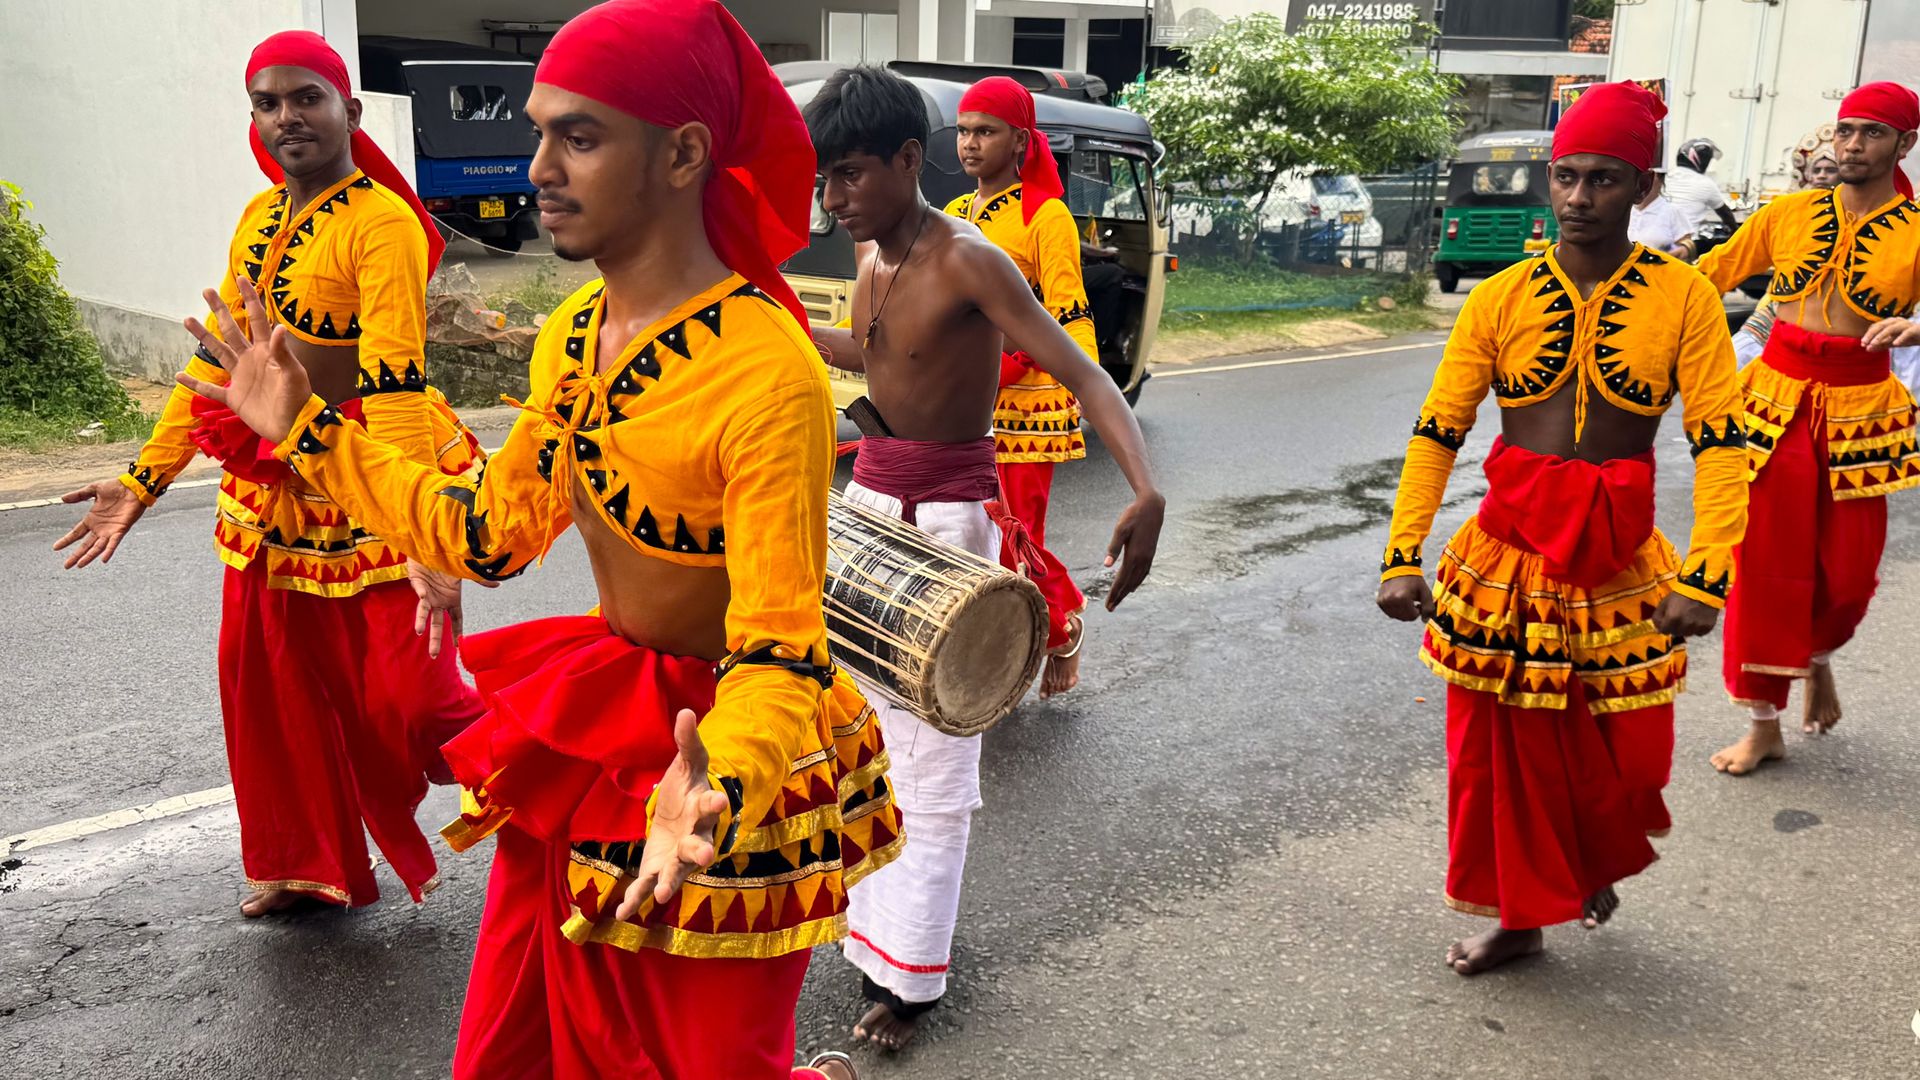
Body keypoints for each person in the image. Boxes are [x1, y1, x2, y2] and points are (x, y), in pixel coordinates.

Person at [178, 4, 896, 1076]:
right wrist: (309, 433)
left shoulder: (767, 370)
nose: (539, 167)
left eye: (580, 136)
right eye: (540, 132)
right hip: (597, 744)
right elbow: (489, 537)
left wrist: (717, 782)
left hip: (715, 767)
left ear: (685, 154)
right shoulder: (573, 333)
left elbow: (781, 646)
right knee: (527, 1044)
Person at [54, 31, 483, 917]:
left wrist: (420, 529)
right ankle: (301, 862)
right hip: (265, 485)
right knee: (267, 683)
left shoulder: (382, 224)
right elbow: (221, 365)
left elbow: (396, 386)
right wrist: (140, 481)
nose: (288, 116)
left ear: (349, 112)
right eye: (267, 103)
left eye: (306, 98)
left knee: (413, 695)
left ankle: (561, 797)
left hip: (359, 470)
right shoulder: (256, 218)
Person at [804, 65, 1165, 1047]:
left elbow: (1083, 368)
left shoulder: (970, 257)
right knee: (860, 746)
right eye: (822, 180)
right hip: (870, 513)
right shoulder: (876, 263)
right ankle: (868, 936)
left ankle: (912, 979)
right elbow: (878, 363)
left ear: (906, 161)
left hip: (952, 527)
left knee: (931, 763)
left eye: (848, 177)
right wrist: (784, 323)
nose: (831, 201)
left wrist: (1146, 487)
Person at [1377, 82, 1747, 975]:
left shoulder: (1687, 297)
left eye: (1605, 181)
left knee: (1628, 753)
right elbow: (1439, 429)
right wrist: (1401, 553)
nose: (1580, 198)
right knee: (1500, 752)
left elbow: (1723, 440)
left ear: (1646, 188)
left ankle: (1588, 858)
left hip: (1621, 555)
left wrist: (1708, 575)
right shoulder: (1498, 296)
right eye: (1567, 178)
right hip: (1506, 550)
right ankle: (1521, 916)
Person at [1697, 82, 1920, 774]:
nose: (1852, 145)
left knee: (1848, 577)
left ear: (1904, 145)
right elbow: (1707, 277)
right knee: (1761, 566)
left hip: (1863, 408)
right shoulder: (1787, 214)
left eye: (1872, 133)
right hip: (1771, 402)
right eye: (1845, 131)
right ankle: (1763, 722)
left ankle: (1816, 659)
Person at [943, 75, 1095, 697]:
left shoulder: (1045, 214)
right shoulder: (952, 214)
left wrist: (1060, 375)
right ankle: (1002, 648)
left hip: (1027, 402)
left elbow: (1066, 307)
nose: (971, 145)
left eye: (986, 132)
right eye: (963, 132)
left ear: (1020, 140)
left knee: (1014, 532)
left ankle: (1058, 628)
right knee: (965, 530)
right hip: (964, 402)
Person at [1665, 137, 1741, 232]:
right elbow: (1725, 214)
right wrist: (1735, 230)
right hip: (1686, 241)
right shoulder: (1706, 183)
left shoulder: (1666, 176)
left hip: (1656, 236)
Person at [1628, 169, 1696, 257]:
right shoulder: (1624, 208)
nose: (1643, 182)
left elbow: (1686, 244)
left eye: (1650, 177)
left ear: (1661, 181)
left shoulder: (1672, 211)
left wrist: (1683, 250)